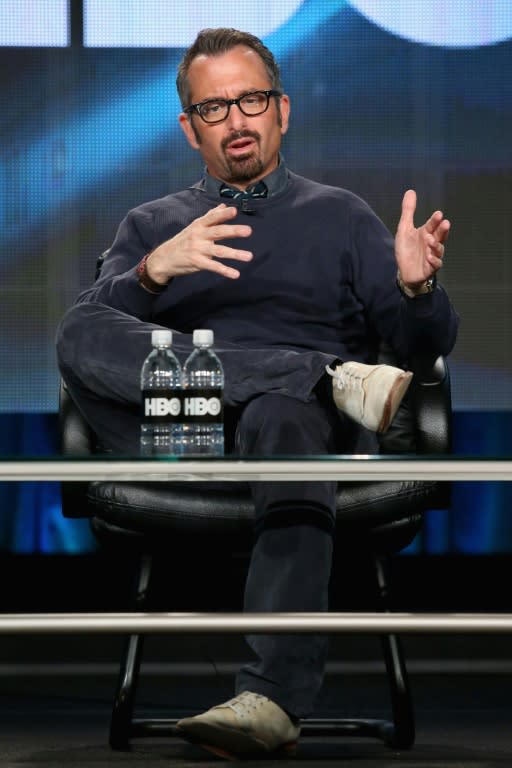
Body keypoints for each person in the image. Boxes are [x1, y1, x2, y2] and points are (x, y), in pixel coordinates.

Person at [56, 27, 459, 760]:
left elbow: (423, 347)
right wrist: (150, 273)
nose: (236, 120)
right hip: (184, 431)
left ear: (282, 110)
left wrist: (416, 285)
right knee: (81, 330)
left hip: (293, 436)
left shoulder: (341, 216)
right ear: (189, 128)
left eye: (251, 100)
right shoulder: (151, 224)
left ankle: (270, 700)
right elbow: (89, 336)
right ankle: (322, 375)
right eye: (215, 108)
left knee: (281, 411)